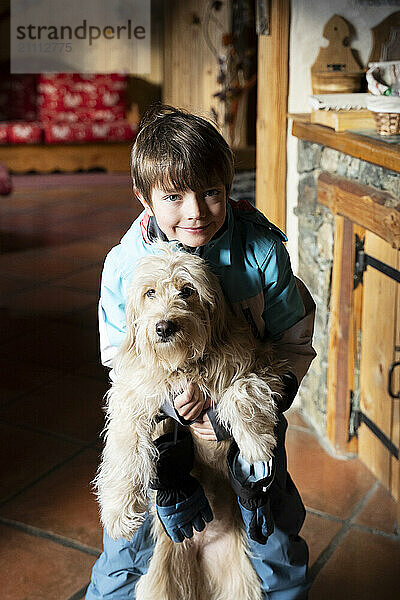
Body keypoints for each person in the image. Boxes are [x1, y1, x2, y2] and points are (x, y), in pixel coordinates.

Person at [86, 104, 316, 600]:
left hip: (243, 408)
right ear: (143, 197)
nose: (195, 211)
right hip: (160, 423)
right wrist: (173, 404)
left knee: (272, 532)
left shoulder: (262, 252)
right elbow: (116, 354)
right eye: (174, 196)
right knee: (127, 545)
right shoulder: (125, 265)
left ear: (229, 186)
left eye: (211, 192)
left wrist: (249, 407)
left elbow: (294, 341)